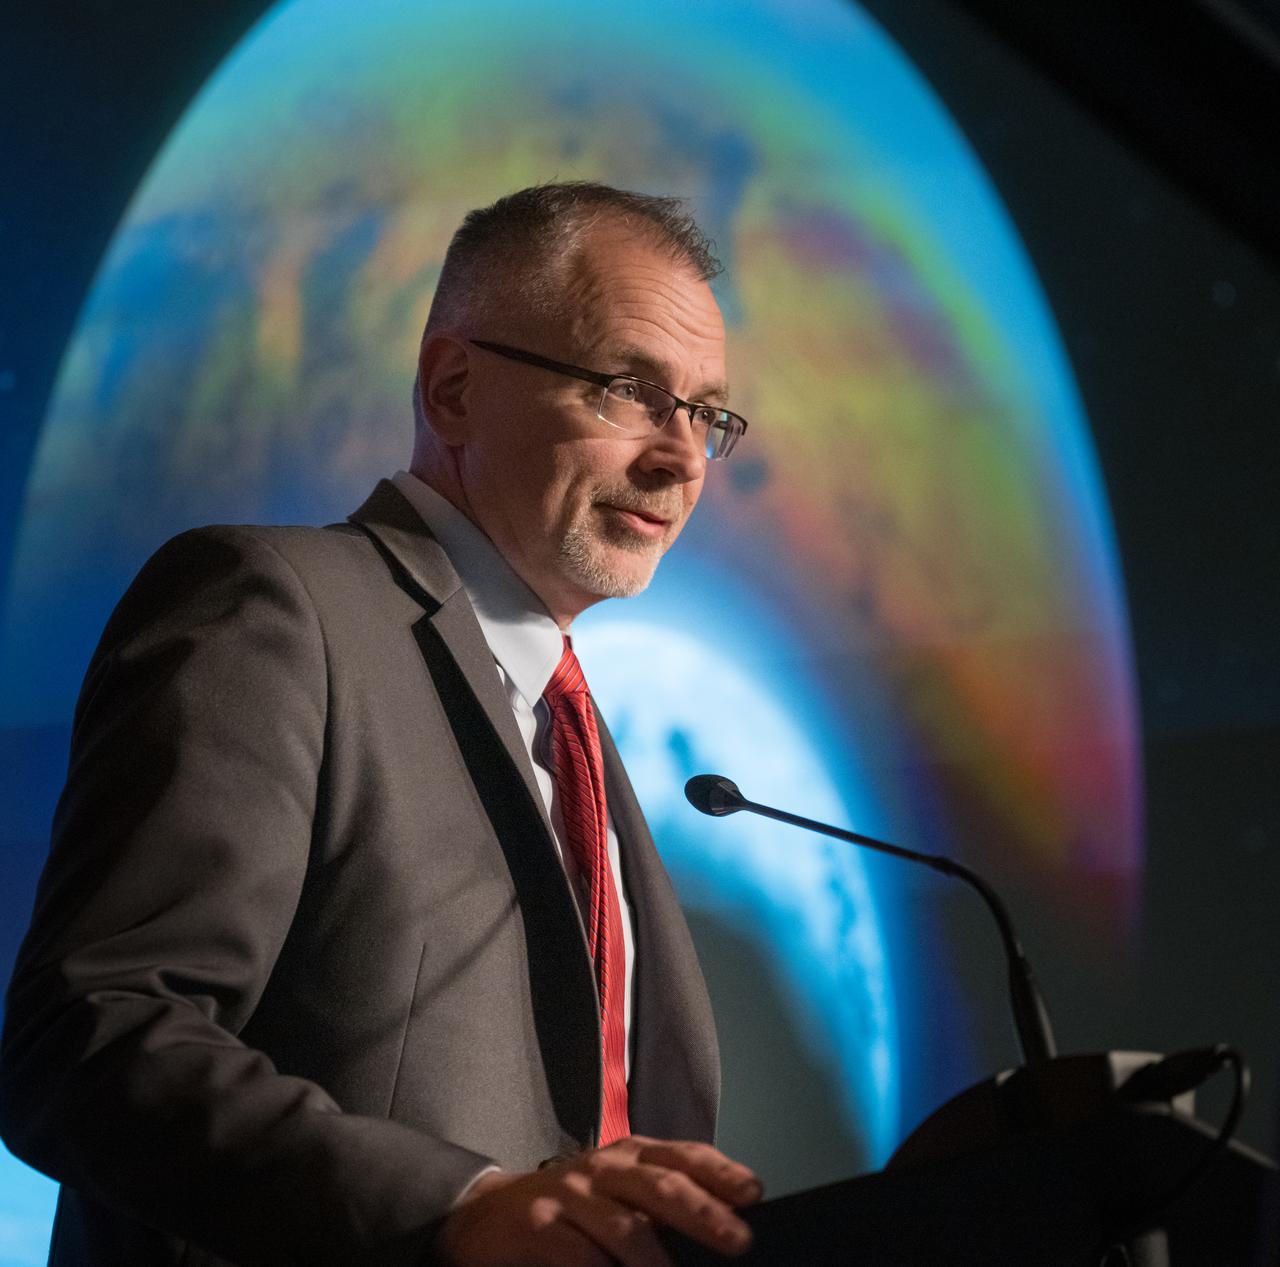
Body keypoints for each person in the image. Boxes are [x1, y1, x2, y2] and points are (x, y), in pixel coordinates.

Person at [0, 182, 761, 1266]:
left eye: (705, 414)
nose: (681, 457)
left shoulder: (569, 724)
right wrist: (452, 1209)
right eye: (630, 390)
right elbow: (94, 1035)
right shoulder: (276, 609)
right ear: (453, 388)